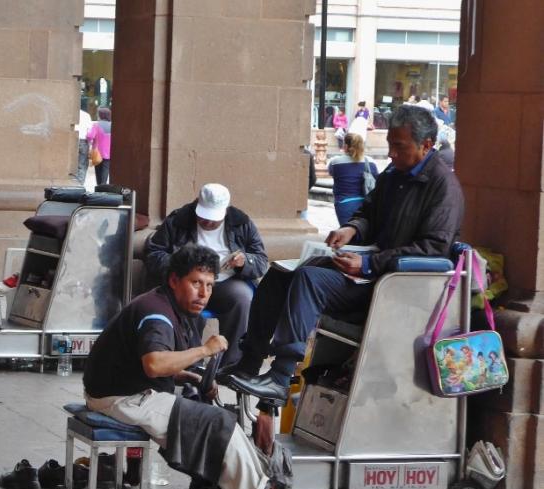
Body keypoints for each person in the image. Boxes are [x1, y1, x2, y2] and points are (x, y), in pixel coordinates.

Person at [220, 104, 465, 402]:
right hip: (371, 270)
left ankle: (281, 376)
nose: (391, 154)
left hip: (394, 286)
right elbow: (368, 211)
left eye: (399, 147)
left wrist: (369, 264)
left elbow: (433, 250)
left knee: (309, 280)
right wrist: (352, 229)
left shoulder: (443, 187)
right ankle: (250, 361)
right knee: (279, 274)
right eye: (389, 145)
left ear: (426, 145)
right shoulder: (394, 174)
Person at [83, 245, 306, 489]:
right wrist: (205, 350)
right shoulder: (156, 313)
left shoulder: (170, 305)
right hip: (118, 397)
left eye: (210, 285)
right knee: (213, 422)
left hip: (128, 388)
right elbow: (153, 364)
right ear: (174, 280)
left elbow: (151, 364)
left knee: (219, 415)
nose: (203, 294)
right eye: (196, 283)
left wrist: (189, 376)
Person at [145, 183, 268, 367]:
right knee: (189, 300)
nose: (208, 223)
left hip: (226, 281)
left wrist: (245, 262)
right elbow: (154, 253)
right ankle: (191, 367)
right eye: (203, 217)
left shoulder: (241, 223)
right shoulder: (178, 220)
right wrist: (181, 264)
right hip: (190, 280)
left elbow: (261, 260)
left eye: (214, 219)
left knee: (243, 298)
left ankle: (231, 365)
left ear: (225, 211)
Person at [326, 133, 379, 225]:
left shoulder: (335, 162)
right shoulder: (371, 162)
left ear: (346, 146)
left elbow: (331, 173)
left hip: (344, 203)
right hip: (366, 205)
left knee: (346, 234)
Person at [87, 106, 112, 185]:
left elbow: (90, 136)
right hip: (109, 153)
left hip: (98, 153)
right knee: (105, 172)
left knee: (98, 172)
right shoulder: (112, 125)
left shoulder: (96, 125)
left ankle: (98, 189)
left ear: (100, 115)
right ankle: (103, 187)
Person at [75, 98, 93, 183]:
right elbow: (90, 132)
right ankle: (80, 184)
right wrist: (90, 145)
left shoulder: (71, 114)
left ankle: (72, 183)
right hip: (83, 141)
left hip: (72, 140)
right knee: (82, 164)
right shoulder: (86, 115)